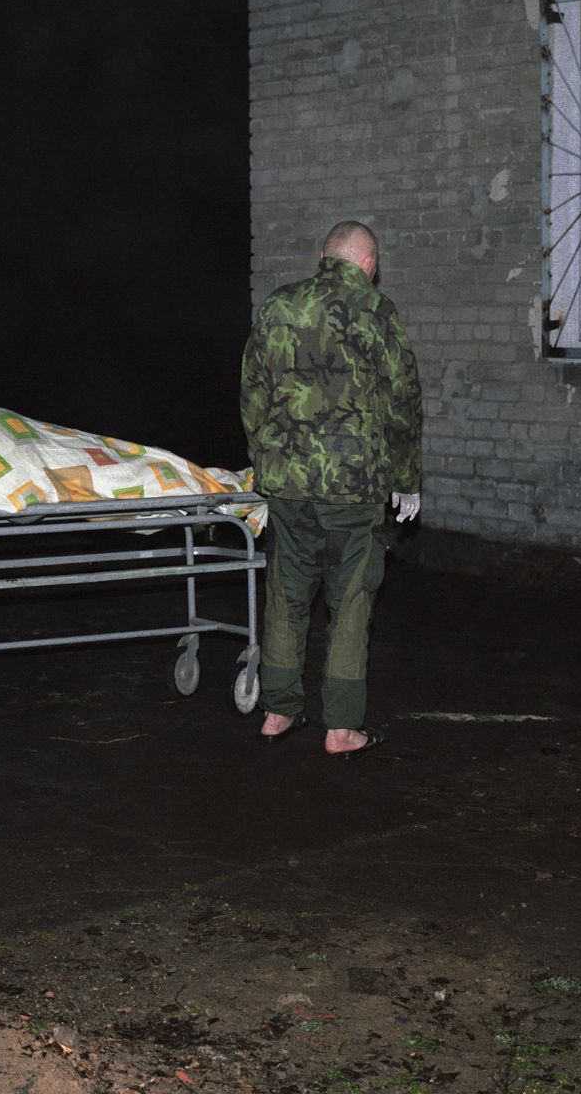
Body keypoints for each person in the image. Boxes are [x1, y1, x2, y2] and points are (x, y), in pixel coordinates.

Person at [240, 220, 422, 760]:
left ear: (323, 254)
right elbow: (402, 404)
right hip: (354, 487)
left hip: (288, 486)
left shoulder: (277, 307)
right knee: (349, 601)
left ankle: (278, 710)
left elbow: (252, 394)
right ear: (370, 264)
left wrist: (265, 460)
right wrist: (407, 479)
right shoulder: (377, 312)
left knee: (287, 592)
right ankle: (341, 728)